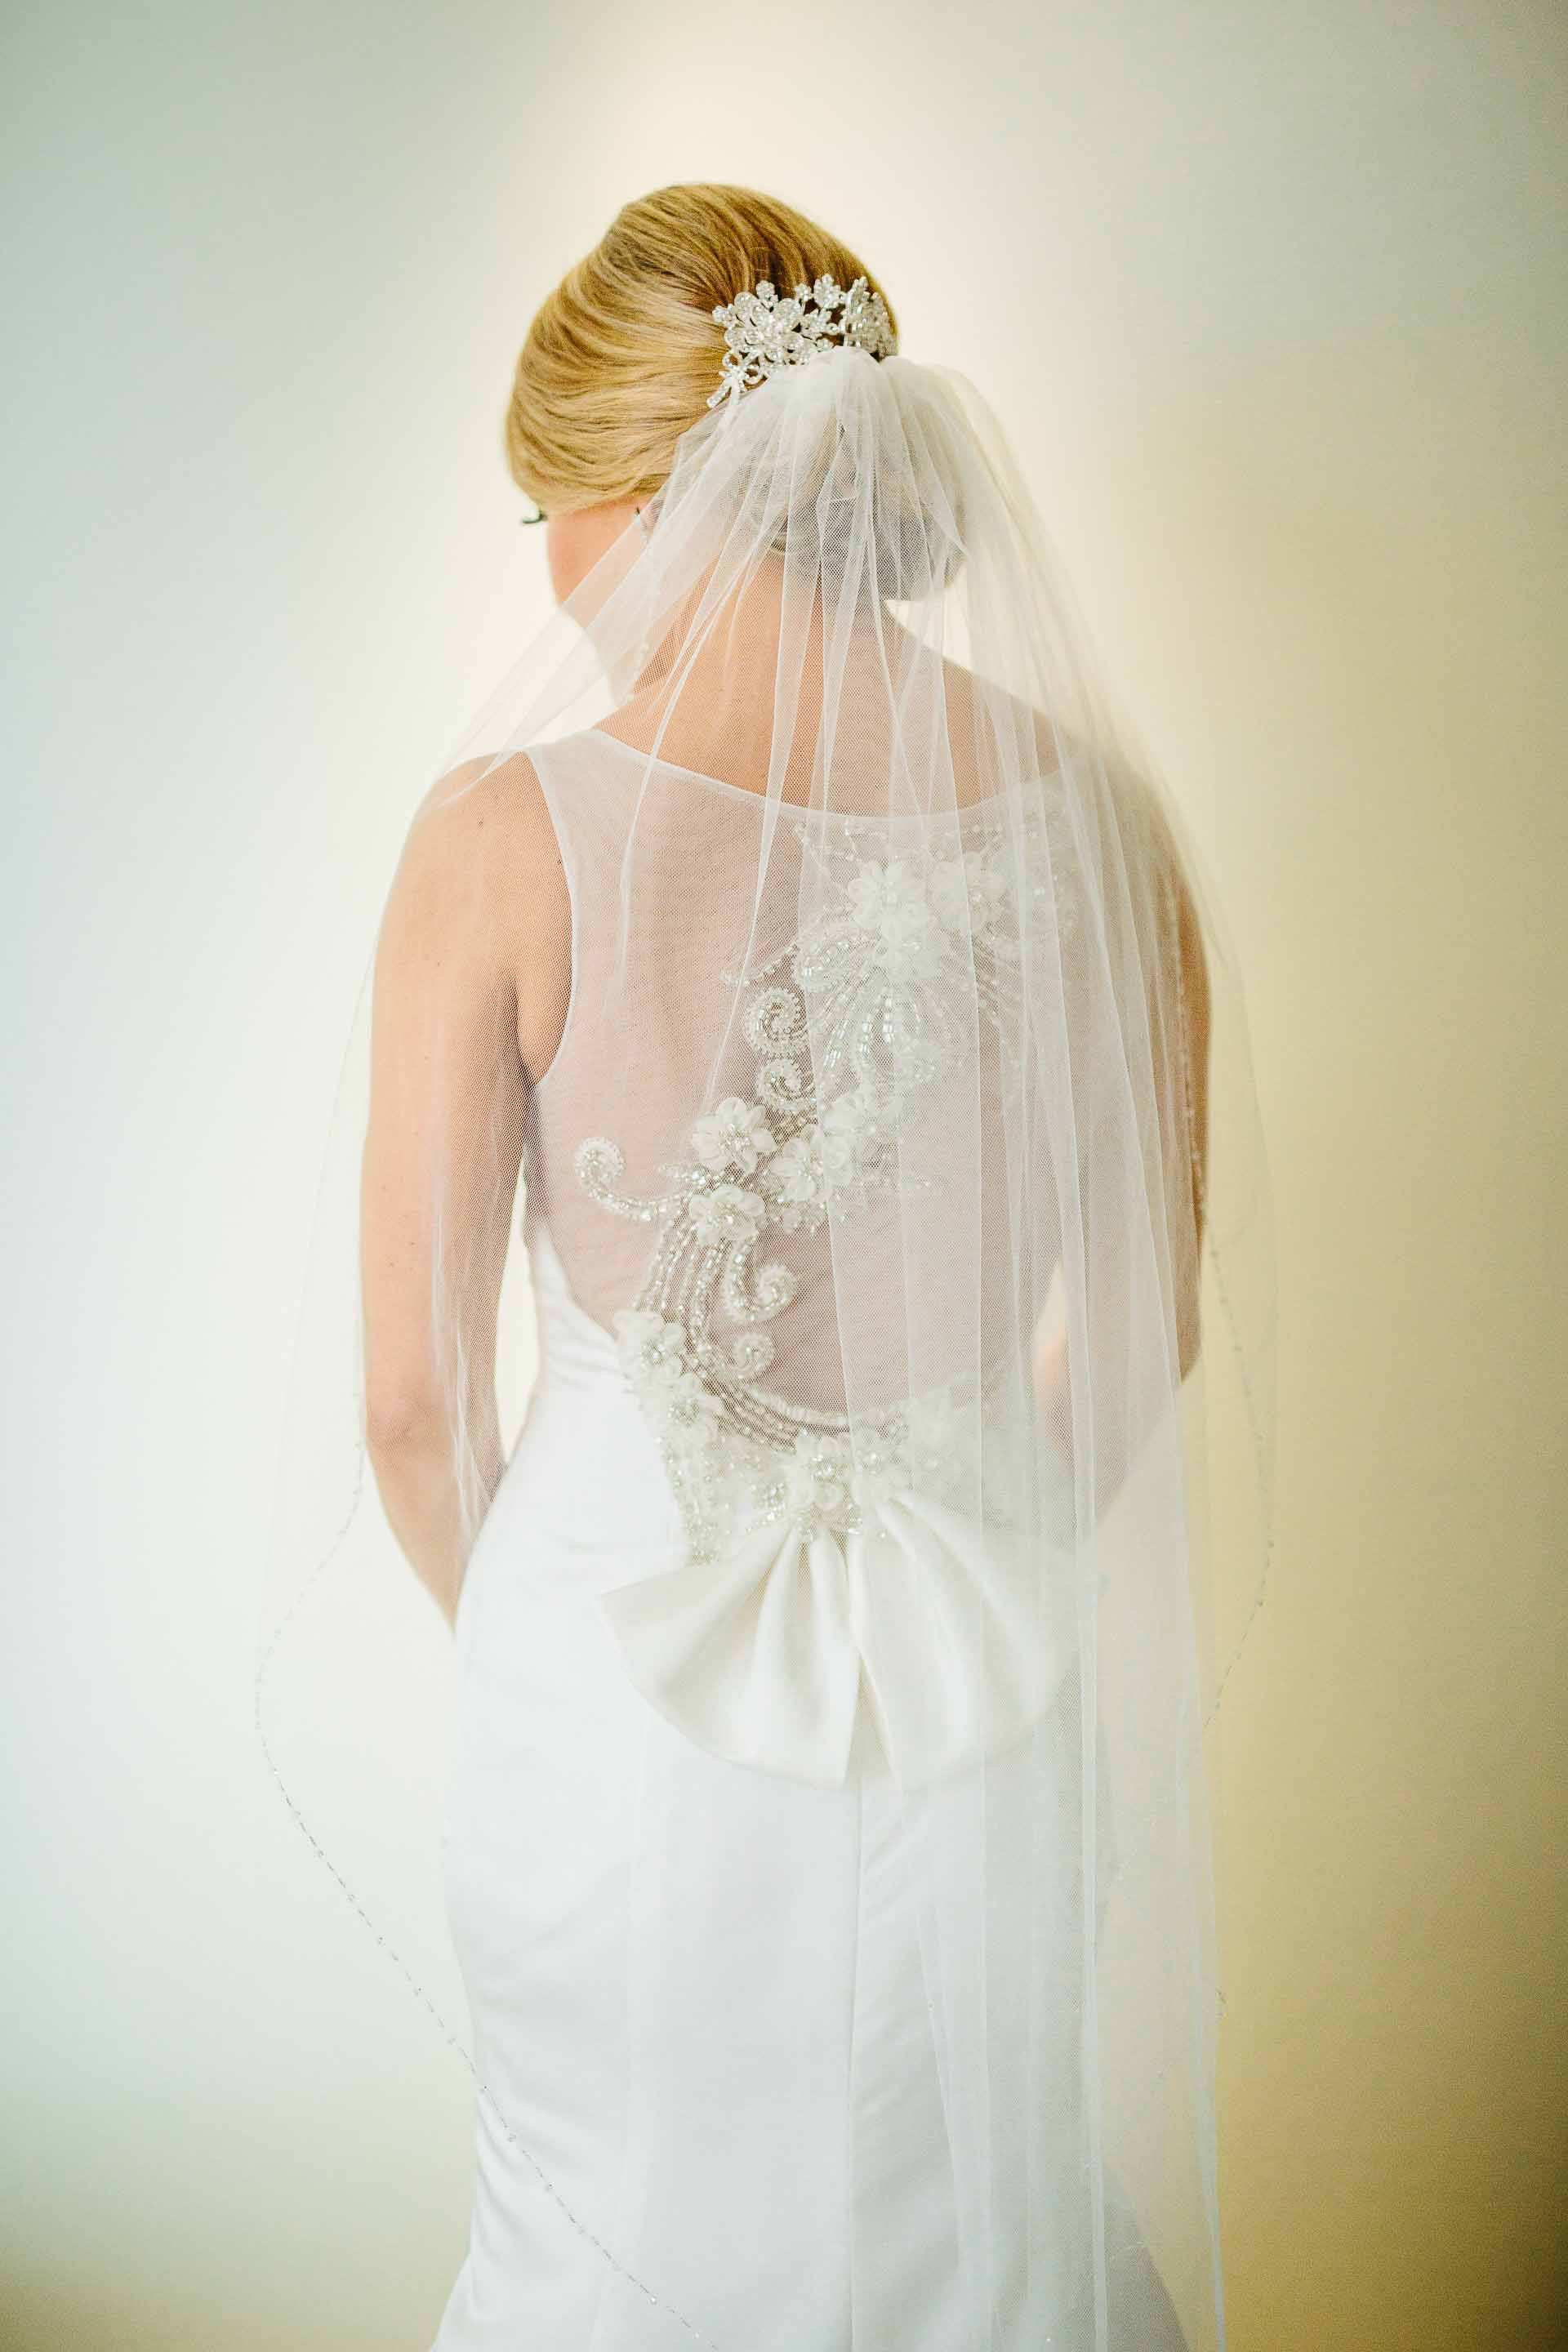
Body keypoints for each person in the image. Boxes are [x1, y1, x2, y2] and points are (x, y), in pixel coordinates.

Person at [261, 181, 1276, 2352]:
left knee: (610, 2244)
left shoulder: (500, 839)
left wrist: (568, 1588)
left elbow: (412, 1404)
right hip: (987, 1675)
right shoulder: (1105, 825)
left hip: (620, 1666)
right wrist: (964, 1535)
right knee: (977, 2223)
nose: (549, 567)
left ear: (644, 489)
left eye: (551, 502)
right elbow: (1141, 1329)